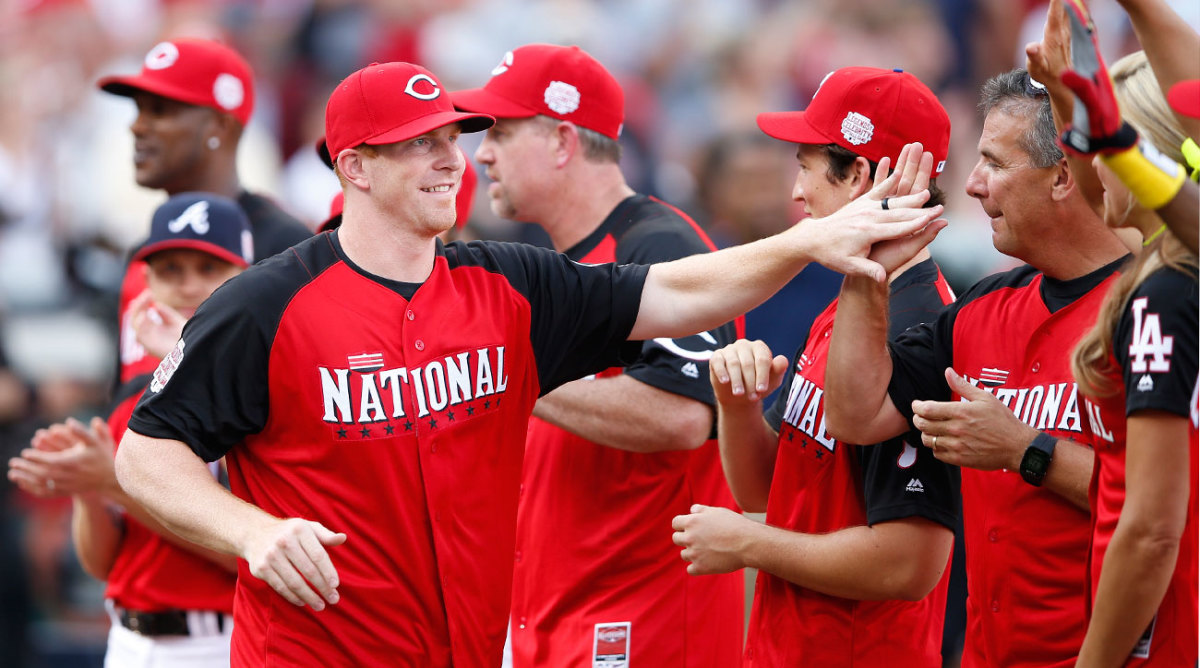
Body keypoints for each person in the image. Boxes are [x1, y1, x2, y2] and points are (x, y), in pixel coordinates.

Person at [112, 60, 946, 668]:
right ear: (353, 168)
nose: (450, 158)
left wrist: (810, 241)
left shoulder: (507, 282)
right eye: (416, 146)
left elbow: (680, 291)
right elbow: (144, 452)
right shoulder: (265, 302)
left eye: (454, 136)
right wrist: (250, 530)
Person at [823, 68, 1132, 668]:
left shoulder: (1154, 309)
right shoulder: (980, 310)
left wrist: (1026, 450)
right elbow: (854, 415)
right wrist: (869, 272)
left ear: (1063, 177)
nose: (972, 185)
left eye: (993, 162)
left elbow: (1174, 504)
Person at [452, 43, 743, 667]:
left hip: (644, 619)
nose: (483, 152)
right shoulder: (554, 258)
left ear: (562, 140)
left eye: (500, 131)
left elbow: (683, 415)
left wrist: (508, 369)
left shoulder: (658, 243)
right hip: (557, 615)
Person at [670, 67, 960, 667]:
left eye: (805, 166)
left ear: (860, 175)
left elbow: (908, 562)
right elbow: (767, 491)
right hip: (786, 646)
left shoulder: (922, 327)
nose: (796, 194)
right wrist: (738, 404)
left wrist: (751, 545)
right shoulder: (849, 302)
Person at [8, 192, 253, 667]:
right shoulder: (139, 392)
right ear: (146, 282)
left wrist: (116, 487)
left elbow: (248, 551)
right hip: (128, 639)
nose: (188, 286)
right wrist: (87, 489)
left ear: (247, 276)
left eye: (209, 268)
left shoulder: (255, 390)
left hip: (218, 640)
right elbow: (104, 563)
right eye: (170, 270)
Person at [1050, 22, 1198, 664]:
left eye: (1101, 146)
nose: (1087, 165)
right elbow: (1091, 193)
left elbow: (1151, 532)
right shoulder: (1172, 274)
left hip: (1168, 629)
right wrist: (1066, 98)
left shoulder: (1167, 296)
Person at [96, 37, 311, 384]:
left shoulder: (289, 248)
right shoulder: (143, 250)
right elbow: (127, 394)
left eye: (160, 110)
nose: (136, 126)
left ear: (219, 126)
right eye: (139, 110)